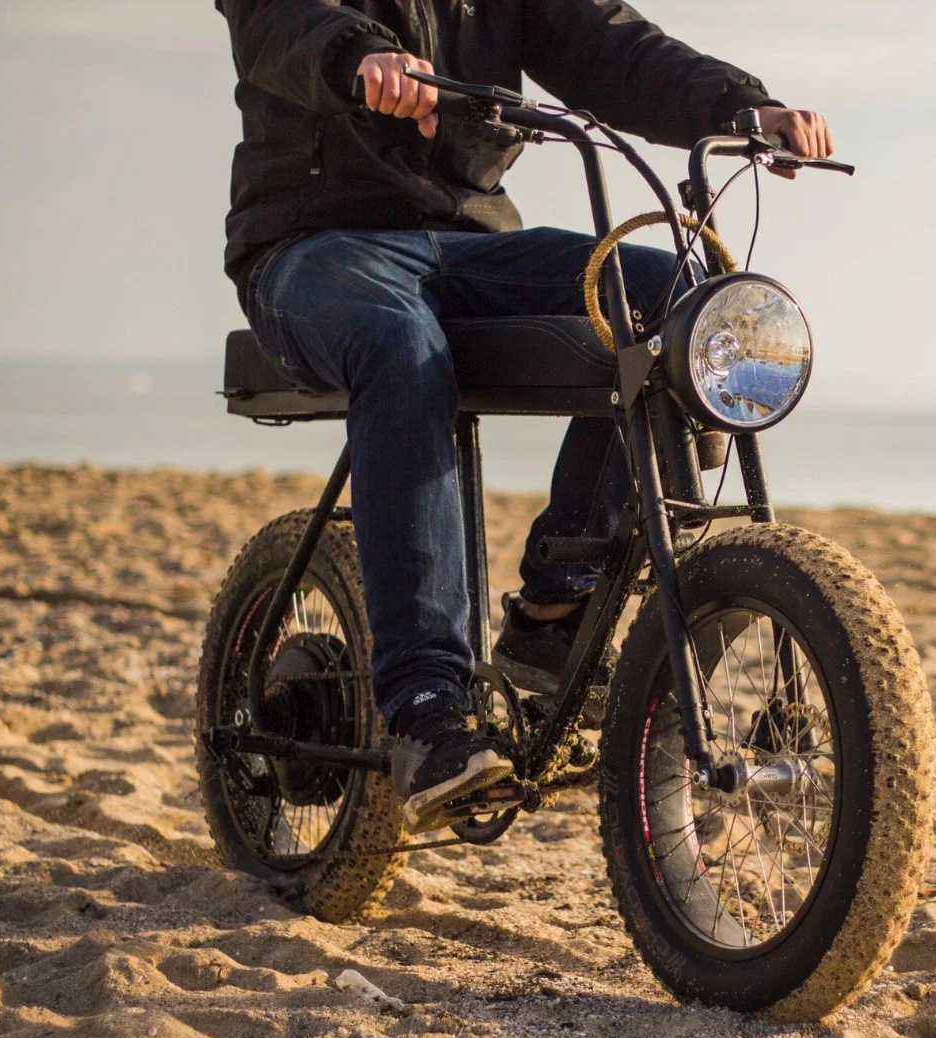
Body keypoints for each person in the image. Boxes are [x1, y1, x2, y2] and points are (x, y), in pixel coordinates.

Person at [216, 0, 832, 832]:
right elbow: (280, 20)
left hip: (469, 242)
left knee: (681, 296)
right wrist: (359, 57)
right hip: (313, 246)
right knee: (400, 346)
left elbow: (612, 46)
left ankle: (556, 608)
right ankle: (426, 706)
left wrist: (739, 106)